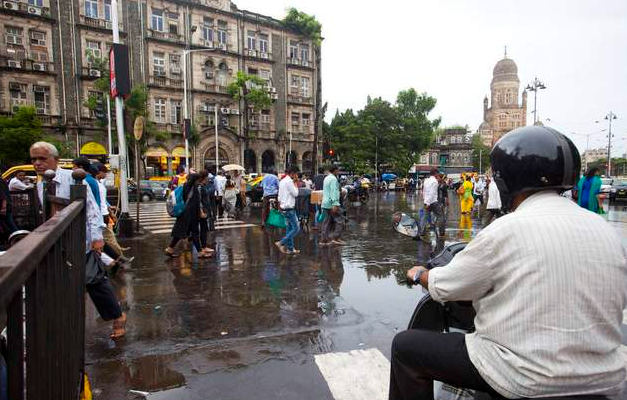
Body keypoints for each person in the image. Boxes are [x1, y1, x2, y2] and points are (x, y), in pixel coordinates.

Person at [391, 126, 627, 400]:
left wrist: (420, 273)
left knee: (405, 348)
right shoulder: (606, 230)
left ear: (506, 179)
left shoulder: (505, 230)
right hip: (605, 377)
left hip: (521, 376)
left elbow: (445, 286)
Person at [30, 142, 126, 339]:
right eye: (34, 159)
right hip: (56, 243)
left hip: (80, 240)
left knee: (95, 282)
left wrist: (97, 238)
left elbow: (91, 208)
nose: (37, 164)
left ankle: (117, 316)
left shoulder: (73, 179)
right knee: (61, 285)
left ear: (55, 160)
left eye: (42, 159)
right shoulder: (40, 184)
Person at [165, 173, 212, 258]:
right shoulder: (194, 188)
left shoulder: (185, 186)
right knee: (194, 233)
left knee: (179, 232)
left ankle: (170, 248)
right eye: (198, 180)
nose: (199, 181)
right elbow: (196, 202)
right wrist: (201, 212)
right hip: (191, 214)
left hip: (184, 213)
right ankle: (200, 252)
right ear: (195, 180)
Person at [275, 165, 301, 255]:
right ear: (293, 173)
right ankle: (281, 242)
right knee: (296, 228)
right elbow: (296, 194)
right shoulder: (290, 182)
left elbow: (279, 196)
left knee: (289, 228)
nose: (297, 176)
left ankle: (290, 249)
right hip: (289, 208)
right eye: (296, 174)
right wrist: (296, 183)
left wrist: (279, 207)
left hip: (283, 207)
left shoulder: (282, 181)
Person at [319, 165, 344, 246]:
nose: (339, 172)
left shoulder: (326, 178)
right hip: (331, 203)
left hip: (325, 203)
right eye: (338, 170)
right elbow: (334, 192)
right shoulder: (333, 179)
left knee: (326, 222)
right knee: (339, 220)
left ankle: (324, 240)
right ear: (335, 170)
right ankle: (336, 238)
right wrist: (335, 203)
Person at [419, 168, 442, 239]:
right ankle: (441, 233)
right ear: (435, 173)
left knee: (424, 217)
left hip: (426, 201)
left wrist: (425, 201)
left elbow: (424, 191)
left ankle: (421, 232)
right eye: (438, 174)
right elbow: (432, 193)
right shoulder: (435, 181)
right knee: (441, 216)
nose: (438, 175)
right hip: (433, 202)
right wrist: (428, 203)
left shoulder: (426, 180)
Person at [198, 170, 215, 256]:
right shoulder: (200, 186)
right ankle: (202, 248)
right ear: (205, 177)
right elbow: (199, 200)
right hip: (202, 211)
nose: (208, 178)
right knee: (202, 229)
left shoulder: (203, 185)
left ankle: (204, 246)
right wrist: (201, 211)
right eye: (207, 176)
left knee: (204, 229)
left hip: (205, 210)